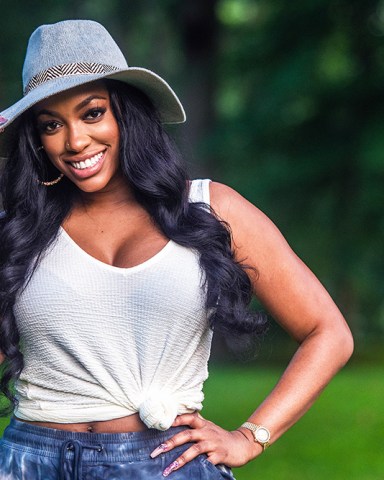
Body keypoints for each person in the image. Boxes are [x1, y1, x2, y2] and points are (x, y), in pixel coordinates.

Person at [0, 20, 353, 480]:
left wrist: (250, 436)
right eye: (51, 124)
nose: (75, 141)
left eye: (91, 113)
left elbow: (328, 332)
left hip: (166, 463)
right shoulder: (19, 230)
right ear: (37, 140)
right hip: (30, 461)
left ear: (125, 113)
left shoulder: (211, 209)